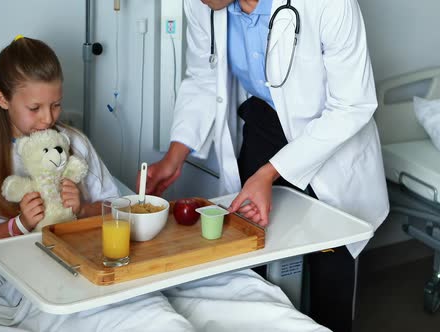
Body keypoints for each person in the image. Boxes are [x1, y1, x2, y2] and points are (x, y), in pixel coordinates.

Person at [143, 1, 390, 331]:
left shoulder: (329, 3)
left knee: (330, 259)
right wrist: (174, 157)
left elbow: (352, 104)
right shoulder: (203, 5)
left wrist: (269, 173)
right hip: (264, 127)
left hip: (330, 137)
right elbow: (202, 77)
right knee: (251, 251)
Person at [0, 36, 120, 254]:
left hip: (81, 253)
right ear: (3, 99)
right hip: (23, 264)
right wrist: (19, 224)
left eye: (56, 105)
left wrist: (83, 209)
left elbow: (116, 208)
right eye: (34, 108)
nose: (48, 119)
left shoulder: (75, 143)